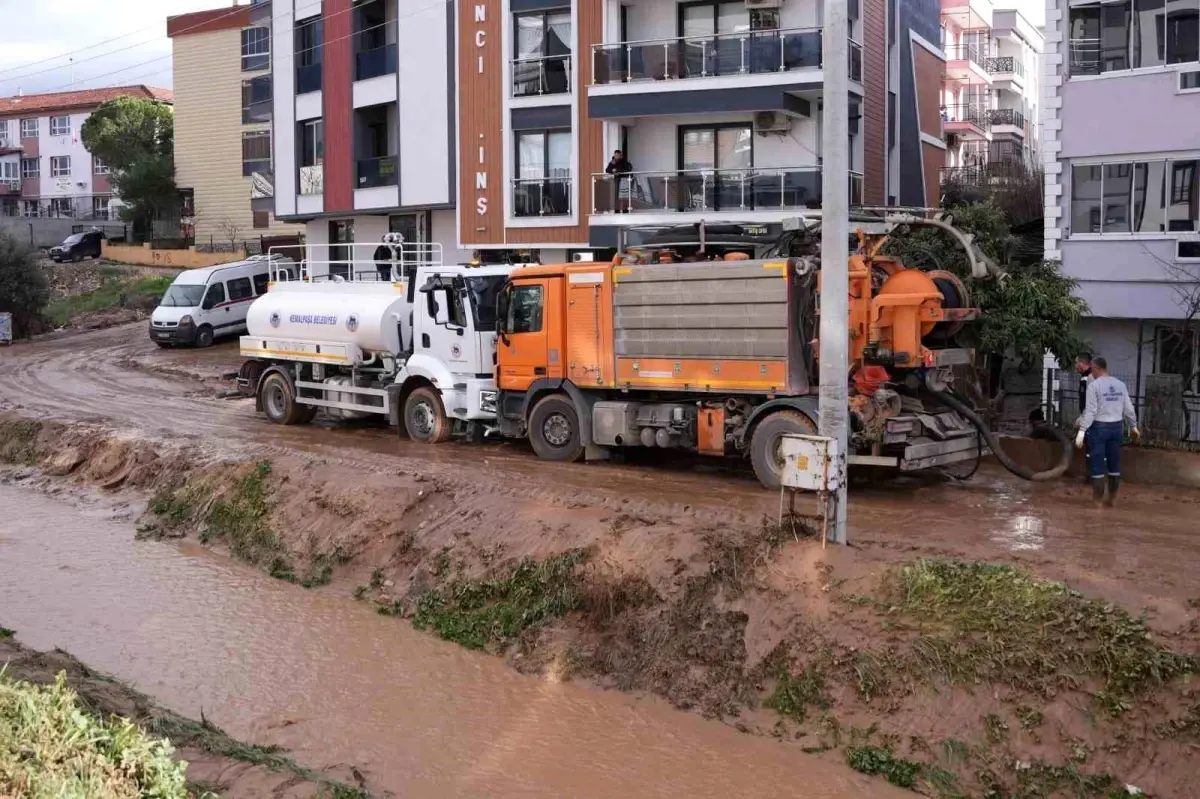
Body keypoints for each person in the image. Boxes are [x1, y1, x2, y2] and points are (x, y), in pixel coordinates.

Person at [1075, 356, 1140, 507]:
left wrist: (1082, 430)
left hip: (1099, 428)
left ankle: (1098, 501)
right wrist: (1133, 426)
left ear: (1096, 368)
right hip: (1117, 428)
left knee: (1097, 463)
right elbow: (1128, 409)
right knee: (1114, 462)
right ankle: (1112, 498)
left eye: (1092, 369)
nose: (1091, 373)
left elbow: (1091, 411)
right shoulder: (1120, 384)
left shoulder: (1094, 386)